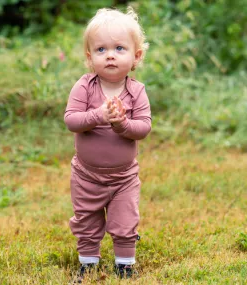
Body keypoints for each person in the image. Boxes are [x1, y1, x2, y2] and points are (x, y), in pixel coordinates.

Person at [64, 6, 151, 283]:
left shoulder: (136, 91)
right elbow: (71, 120)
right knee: (86, 220)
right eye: (101, 50)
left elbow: (144, 128)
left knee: (125, 222)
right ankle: (88, 264)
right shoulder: (84, 87)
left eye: (119, 48)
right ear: (90, 58)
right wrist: (98, 116)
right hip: (87, 175)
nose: (110, 55)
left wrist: (122, 125)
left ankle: (125, 266)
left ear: (136, 56)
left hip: (124, 177)